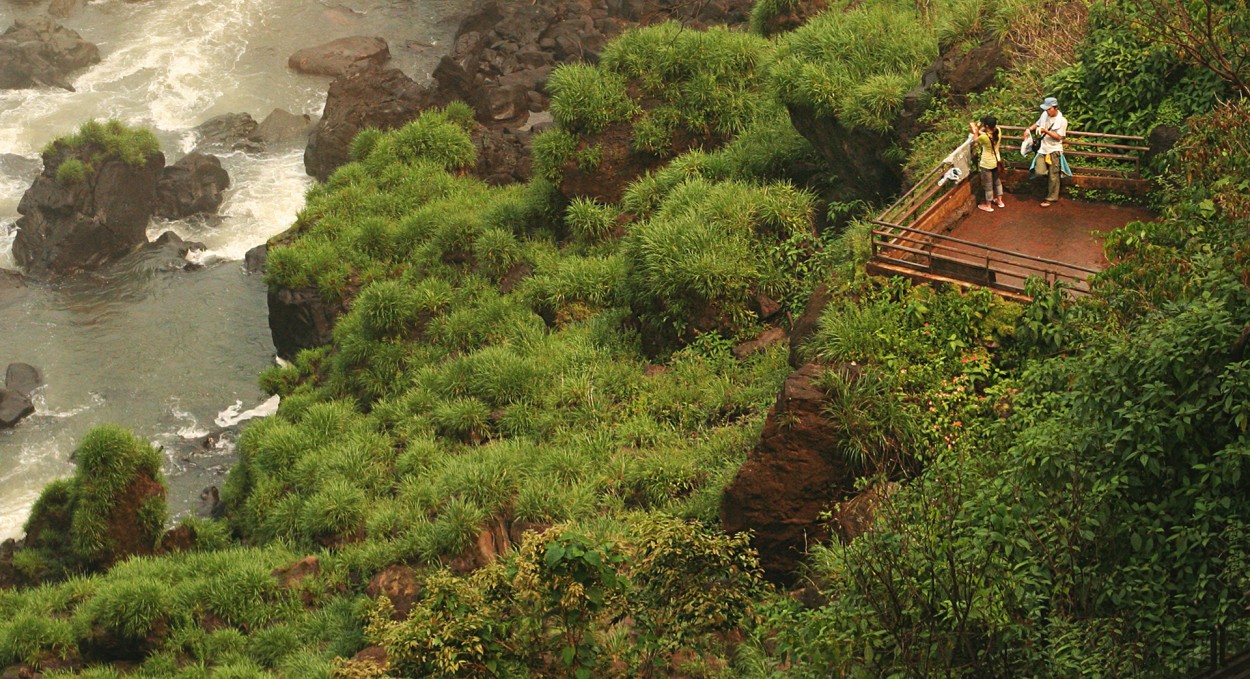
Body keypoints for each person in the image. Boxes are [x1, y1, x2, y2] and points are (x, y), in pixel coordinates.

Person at [1026, 96, 1067, 207]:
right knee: (1039, 171)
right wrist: (1028, 129)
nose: (1047, 111)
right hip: (1043, 149)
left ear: (1055, 108)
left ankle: (1051, 198)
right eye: (1046, 109)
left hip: (1054, 149)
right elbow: (1037, 123)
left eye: (1049, 109)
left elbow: (1059, 137)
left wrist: (1046, 131)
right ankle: (1047, 179)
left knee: (1054, 175)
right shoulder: (1044, 115)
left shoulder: (1062, 121)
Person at [970, 116, 1004, 212]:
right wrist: (981, 129)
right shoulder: (998, 131)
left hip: (987, 163)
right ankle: (1000, 201)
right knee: (997, 181)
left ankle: (988, 205)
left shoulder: (984, 137)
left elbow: (976, 140)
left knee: (988, 185)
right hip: (996, 161)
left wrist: (976, 130)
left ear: (987, 125)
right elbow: (988, 135)